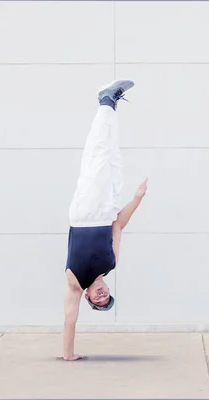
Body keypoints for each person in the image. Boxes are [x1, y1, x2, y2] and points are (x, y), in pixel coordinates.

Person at [62, 80, 147, 361]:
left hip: (85, 214)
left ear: (87, 296)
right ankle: (112, 108)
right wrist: (136, 199)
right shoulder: (111, 263)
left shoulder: (75, 282)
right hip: (107, 211)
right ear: (108, 289)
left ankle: (105, 101)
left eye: (97, 300)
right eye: (105, 297)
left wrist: (68, 355)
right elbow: (118, 225)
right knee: (113, 159)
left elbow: (69, 320)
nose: (101, 295)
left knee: (96, 159)